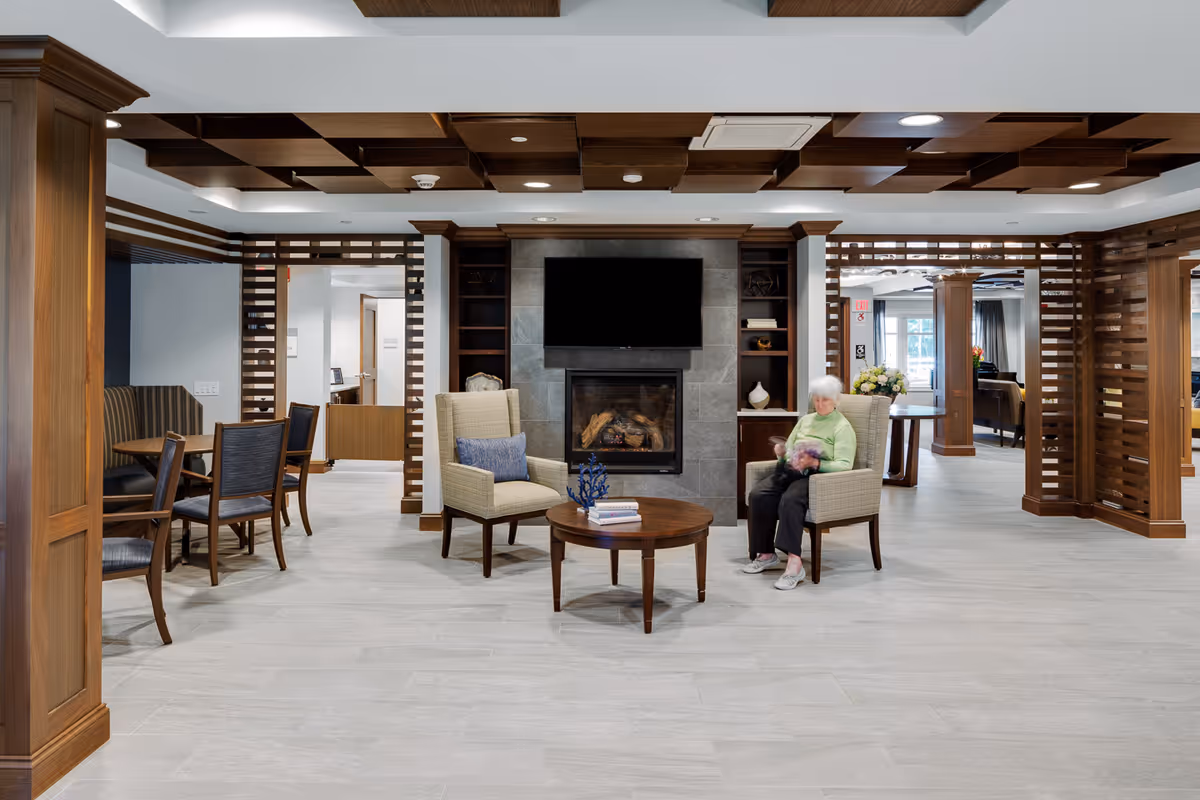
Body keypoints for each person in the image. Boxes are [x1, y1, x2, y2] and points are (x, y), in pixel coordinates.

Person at [743, 375, 857, 590]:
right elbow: (790, 450)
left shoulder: (842, 428)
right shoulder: (806, 420)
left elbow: (844, 465)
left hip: (817, 477)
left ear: (835, 401)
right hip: (792, 470)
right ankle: (766, 554)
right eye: (817, 400)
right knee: (759, 494)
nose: (820, 404)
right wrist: (781, 454)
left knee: (791, 499)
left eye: (825, 400)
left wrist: (814, 462)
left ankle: (795, 564)